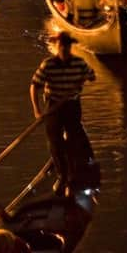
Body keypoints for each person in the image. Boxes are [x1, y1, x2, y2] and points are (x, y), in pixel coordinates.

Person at [30, 31, 96, 196]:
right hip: (54, 105)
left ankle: (72, 175)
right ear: (57, 47)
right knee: (55, 141)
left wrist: (80, 81)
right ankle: (62, 174)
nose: (64, 50)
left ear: (69, 47)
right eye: (61, 47)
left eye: (66, 47)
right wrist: (37, 110)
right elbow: (34, 86)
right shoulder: (48, 65)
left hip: (72, 104)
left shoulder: (79, 63)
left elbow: (92, 76)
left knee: (74, 139)